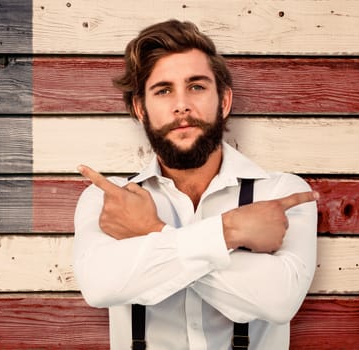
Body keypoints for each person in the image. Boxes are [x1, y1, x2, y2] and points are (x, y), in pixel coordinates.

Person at [73, 20, 319, 350]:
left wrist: (153, 231)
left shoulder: (281, 193)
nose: (181, 105)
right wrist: (230, 232)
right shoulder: (108, 199)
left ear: (225, 102)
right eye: (163, 90)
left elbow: (278, 301)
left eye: (197, 86)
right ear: (140, 109)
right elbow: (100, 285)